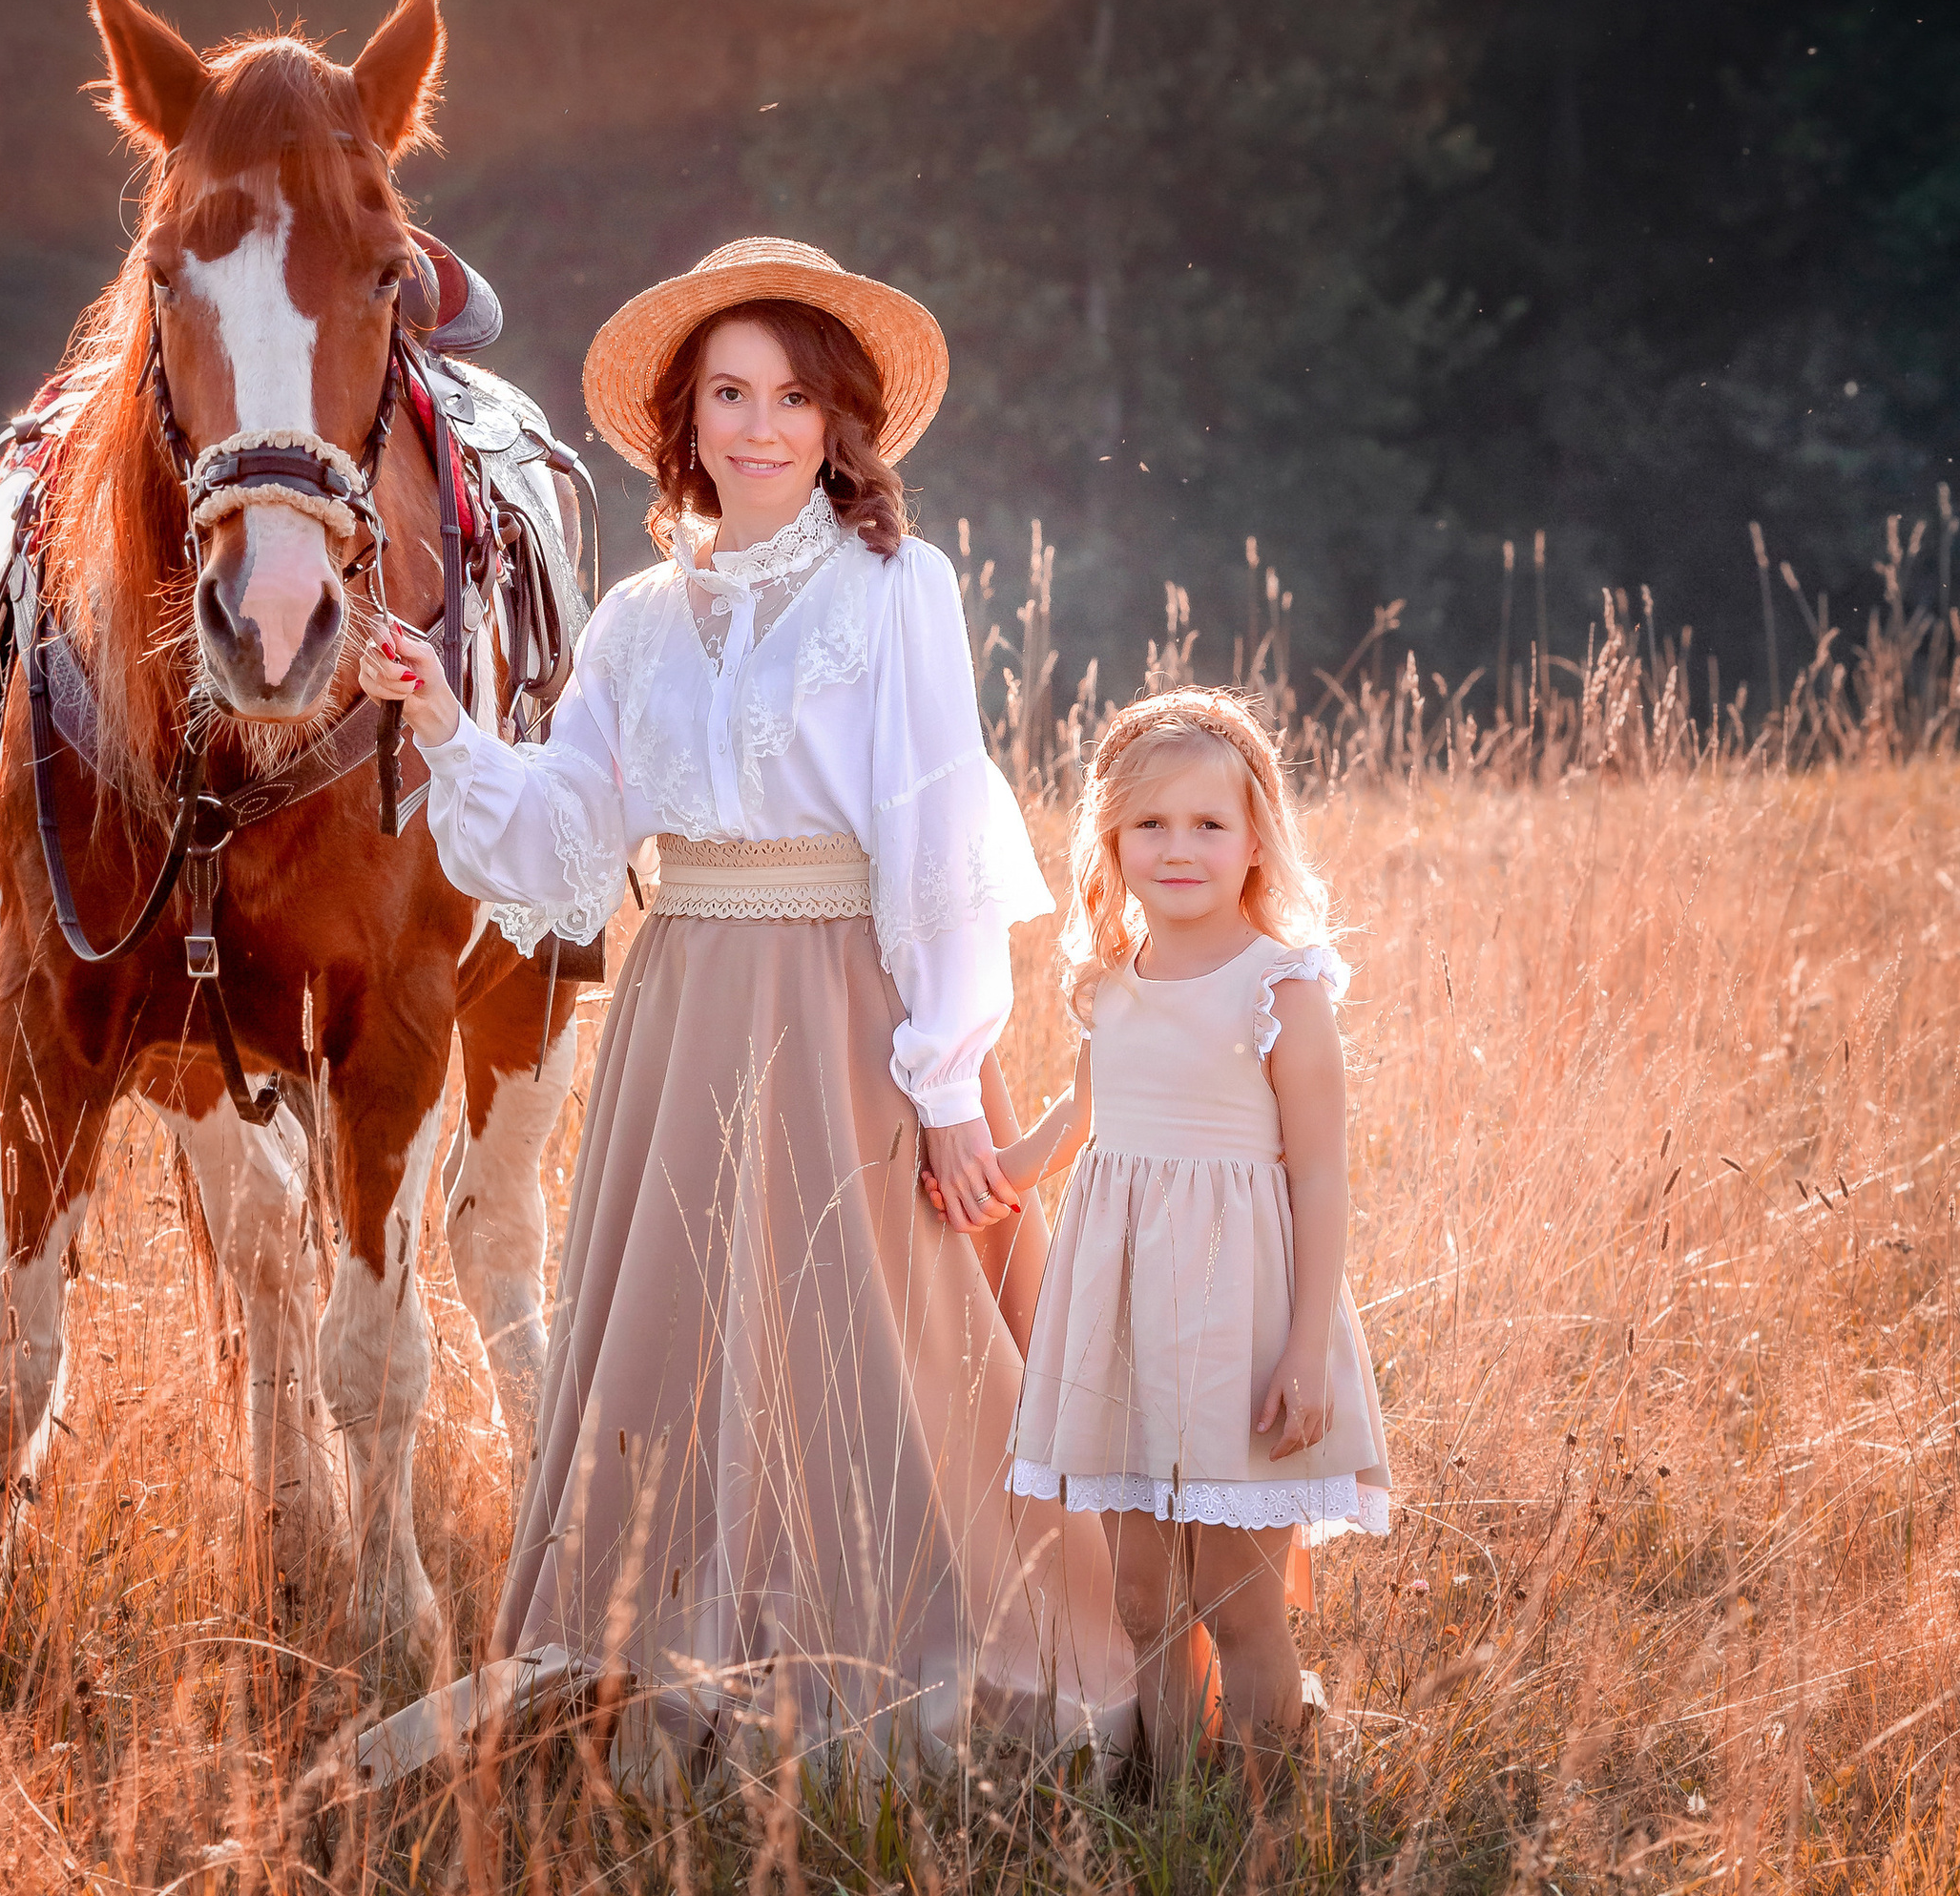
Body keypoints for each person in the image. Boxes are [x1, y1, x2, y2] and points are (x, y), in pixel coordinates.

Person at [360, 236, 1129, 1770]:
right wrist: (447, 722)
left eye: (790, 395)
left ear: (841, 421)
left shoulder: (899, 588)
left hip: (848, 1003)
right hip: (685, 994)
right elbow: (575, 828)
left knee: (869, 1331)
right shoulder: (643, 613)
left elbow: (929, 837)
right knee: (682, 1320)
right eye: (728, 392)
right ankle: (671, 1659)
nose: (760, 424)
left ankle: (890, 1654)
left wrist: (946, 1072)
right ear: (685, 418)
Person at [982, 688, 1390, 1780]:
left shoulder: (1281, 987)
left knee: (1239, 1599)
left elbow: (1319, 1174)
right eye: (1149, 825)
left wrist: (1304, 1351)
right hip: (1120, 1315)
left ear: (1255, 840)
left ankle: (1260, 1815)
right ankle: (1167, 1805)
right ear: (1108, 842)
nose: (1178, 849)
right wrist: (998, 1173)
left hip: (1240, 1316)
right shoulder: (1108, 984)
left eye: (1208, 825)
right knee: (1141, 1595)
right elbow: (1085, 1114)